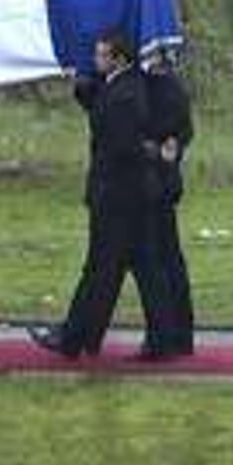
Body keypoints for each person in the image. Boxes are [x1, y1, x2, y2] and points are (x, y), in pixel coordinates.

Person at [28, 31, 179, 360]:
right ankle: (155, 339)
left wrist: (150, 152)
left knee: (99, 269)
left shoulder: (123, 95)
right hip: (133, 196)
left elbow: (121, 144)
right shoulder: (126, 85)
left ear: (118, 59)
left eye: (101, 55)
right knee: (142, 269)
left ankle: (73, 339)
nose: (95, 61)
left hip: (117, 198)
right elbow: (101, 107)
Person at [140, 46, 195, 356]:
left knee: (159, 261)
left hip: (154, 185)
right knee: (169, 259)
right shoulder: (171, 86)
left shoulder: (161, 88)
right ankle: (179, 334)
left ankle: (166, 336)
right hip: (164, 182)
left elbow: (169, 136)